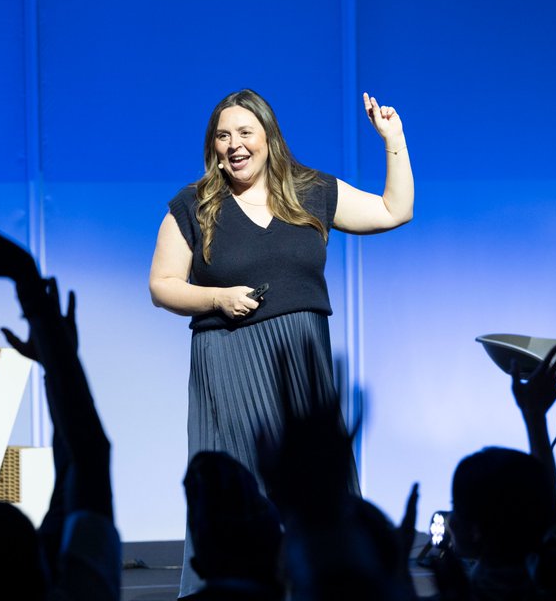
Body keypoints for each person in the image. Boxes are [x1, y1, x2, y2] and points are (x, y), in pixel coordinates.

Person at [148, 89, 413, 599]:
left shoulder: (311, 190)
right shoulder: (195, 204)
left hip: (300, 364)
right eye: (223, 136)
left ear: (269, 138)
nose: (235, 145)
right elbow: (162, 284)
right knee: (238, 495)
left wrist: (393, 139)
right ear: (213, 146)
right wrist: (218, 298)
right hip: (228, 361)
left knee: (318, 492)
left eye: (245, 132)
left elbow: (392, 210)